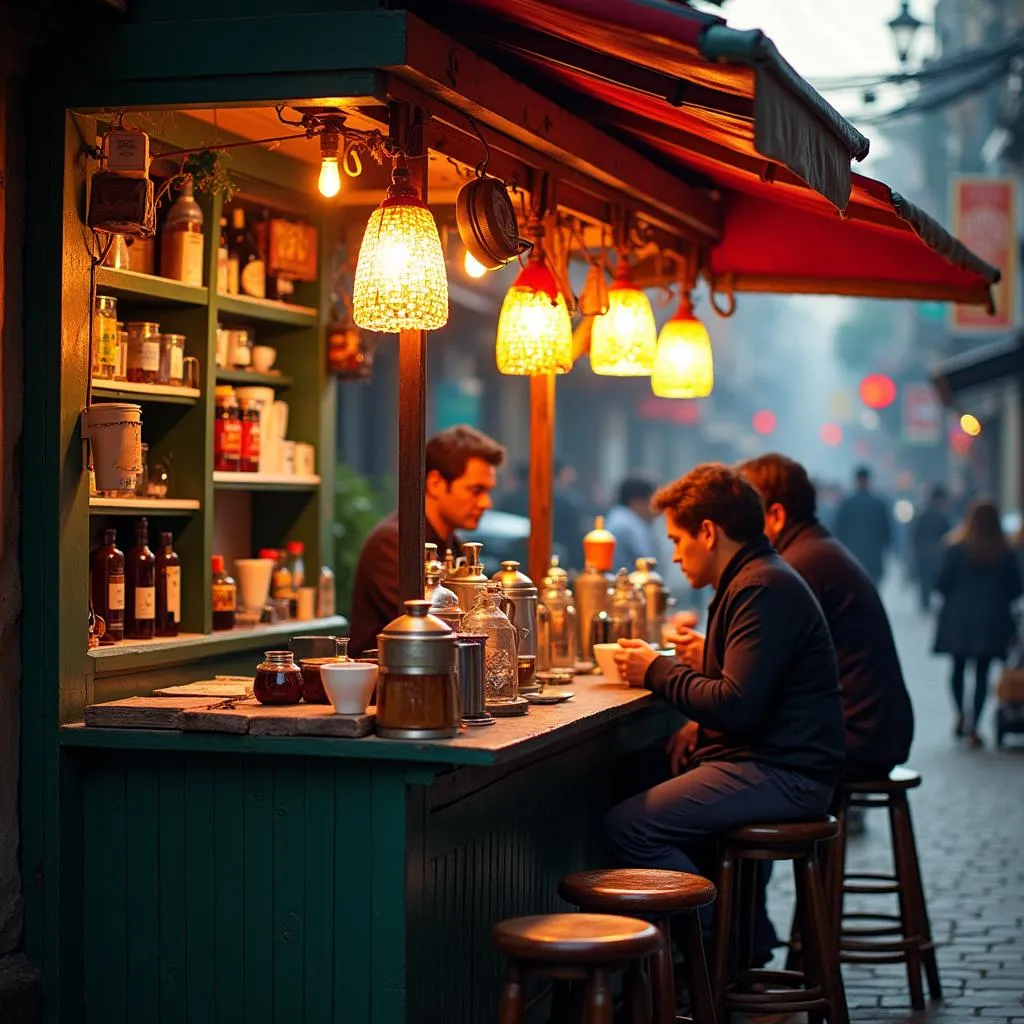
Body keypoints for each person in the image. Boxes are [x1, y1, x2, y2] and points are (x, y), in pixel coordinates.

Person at [606, 463, 845, 965]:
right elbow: (744, 684)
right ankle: (721, 945)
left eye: (678, 539)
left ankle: (715, 949)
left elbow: (737, 706)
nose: (674, 553)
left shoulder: (761, 587)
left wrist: (657, 671)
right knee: (634, 774)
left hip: (787, 773)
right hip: (767, 762)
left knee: (630, 827)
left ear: (709, 532)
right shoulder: (753, 580)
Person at [738, 454, 914, 783]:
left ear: (775, 515)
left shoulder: (798, 567)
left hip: (857, 738)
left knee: (719, 755)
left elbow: (764, 676)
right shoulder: (812, 550)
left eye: (745, 514)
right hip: (876, 730)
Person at [348, 425, 506, 654]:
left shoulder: (456, 545)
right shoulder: (393, 543)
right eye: (476, 490)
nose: (486, 503)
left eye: (488, 491)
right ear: (435, 484)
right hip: (389, 683)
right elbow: (432, 628)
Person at [933, 499, 1022, 747]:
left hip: (958, 619)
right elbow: (1016, 589)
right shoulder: (1004, 552)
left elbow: (941, 583)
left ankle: (960, 713)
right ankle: (975, 724)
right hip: (991, 621)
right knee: (983, 673)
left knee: (958, 669)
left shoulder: (955, 548)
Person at [835, 466, 891, 586]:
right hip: (874, 555)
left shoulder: (847, 503)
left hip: (852, 555)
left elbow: (839, 530)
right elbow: (886, 531)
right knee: (873, 587)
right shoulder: (878, 504)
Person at [911, 485, 952, 613]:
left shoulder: (922, 515)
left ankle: (925, 603)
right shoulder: (943, 517)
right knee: (932, 578)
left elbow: (915, 535)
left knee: (924, 580)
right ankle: (927, 602)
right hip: (936, 554)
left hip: (923, 552)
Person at [604, 476, 659, 571]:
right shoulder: (628, 525)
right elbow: (647, 562)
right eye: (651, 501)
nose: (655, 508)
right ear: (635, 502)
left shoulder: (618, 516)